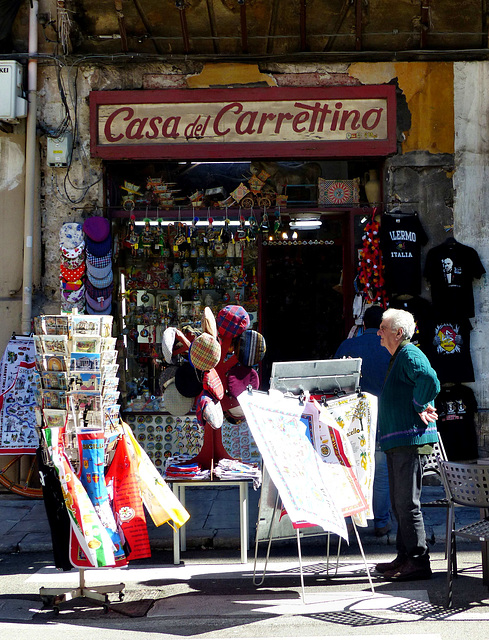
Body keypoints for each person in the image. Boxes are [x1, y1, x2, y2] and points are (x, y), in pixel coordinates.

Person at [375, 308, 440, 581]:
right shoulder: (400, 356)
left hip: (409, 440)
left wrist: (419, 404)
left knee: (406, 502)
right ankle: (405, 556)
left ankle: (418, 561)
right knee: (399, 502)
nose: (378, 331)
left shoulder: (410, 354)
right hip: (400, 441)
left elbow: (430, 379)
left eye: (383, 327)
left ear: (398, 333)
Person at [335, 305, 392, 536]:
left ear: (363, 325)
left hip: (350, 420)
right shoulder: (390, 349)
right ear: (382, 326)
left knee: (349, 469)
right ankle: (381, 522)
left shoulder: (347, 346)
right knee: (379, 472)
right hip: (382, 419)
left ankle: (349, 520)